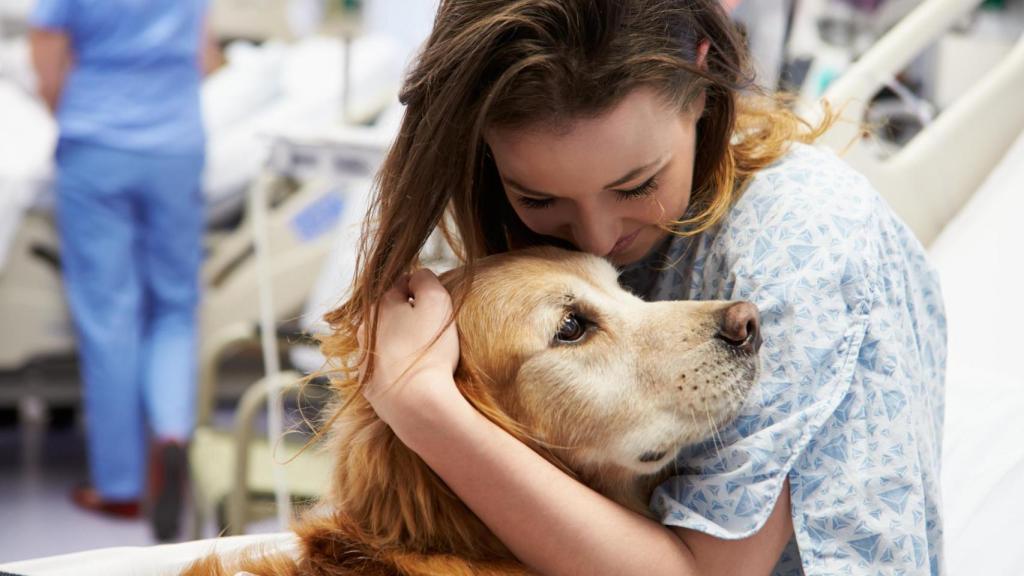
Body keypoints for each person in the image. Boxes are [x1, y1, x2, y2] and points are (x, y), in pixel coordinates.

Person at [330, 1, 946, 574]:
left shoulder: (804, 241)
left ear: (702, 82)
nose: (595, 239)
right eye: (538, 198)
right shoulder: (526, 245)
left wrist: (422, 407)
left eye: (635, 185)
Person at [29, 0, 215, 541]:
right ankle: (174, 436)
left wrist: (77, 111)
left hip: (96, 141)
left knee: (110, 314)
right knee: (176, 306)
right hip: (178, 144)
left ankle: (121, 487)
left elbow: (45, 57)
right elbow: (203, 56)